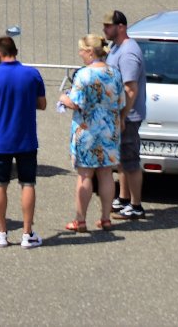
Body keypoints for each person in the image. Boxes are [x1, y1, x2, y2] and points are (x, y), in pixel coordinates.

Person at [0, 35, 47, 248]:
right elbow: (42, 104)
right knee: (28, 184)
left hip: (0, 140)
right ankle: (27, 233)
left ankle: (2, 232)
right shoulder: (32, 74)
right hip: (26, 140)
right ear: (16, 50)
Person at [57, 33, 122, 233]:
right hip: (109, 128)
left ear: (90, 52)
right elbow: (120, 101)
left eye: (82, 50)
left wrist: (63, 98)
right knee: (106, 174)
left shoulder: (84, 75)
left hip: (88, 130)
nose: (80, 54)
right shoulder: (115, 73)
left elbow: (76, 102)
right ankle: (105, 218)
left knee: (85, 175)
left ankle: (80, 220)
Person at [102, 11, 149, 221]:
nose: (105, 30)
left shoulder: (128, 53)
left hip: (127, 117)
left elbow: (131, 89)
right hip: (118, 115)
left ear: (121, 27)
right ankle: (123, 198)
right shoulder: (116, 48)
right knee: (121, 159)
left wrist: (122, 116)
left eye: (108, 26)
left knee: (131, 161)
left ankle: (136, 205)